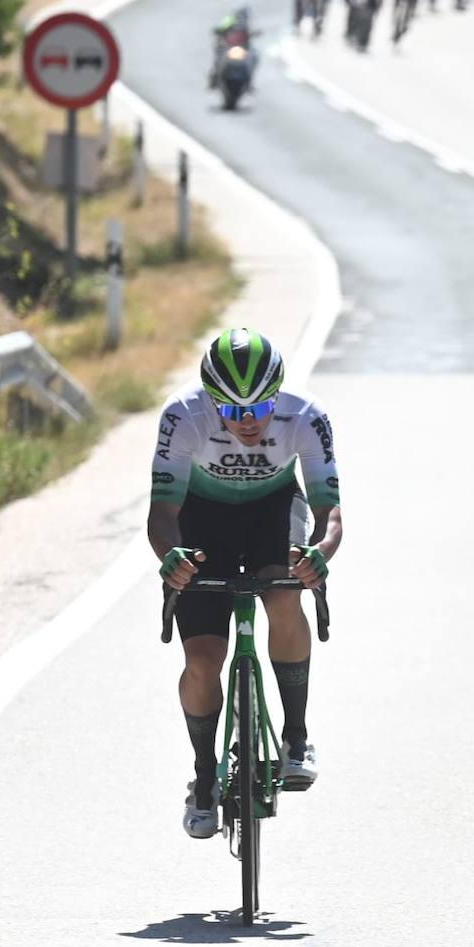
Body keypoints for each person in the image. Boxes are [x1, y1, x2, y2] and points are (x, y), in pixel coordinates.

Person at [147, 327, 342, 839]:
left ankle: (296, 738)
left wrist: (320, 553)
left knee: (283, 593)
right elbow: (163, 512)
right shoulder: (181, 415)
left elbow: (329, 510)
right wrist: (172, 557)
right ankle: (205, 777)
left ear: (278, 395)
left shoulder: (306, 415)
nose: (248, 422)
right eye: (232, 413)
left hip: (272, 513)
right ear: (212, 403)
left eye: (259, 409)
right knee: (203, 660)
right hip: (202, 521)